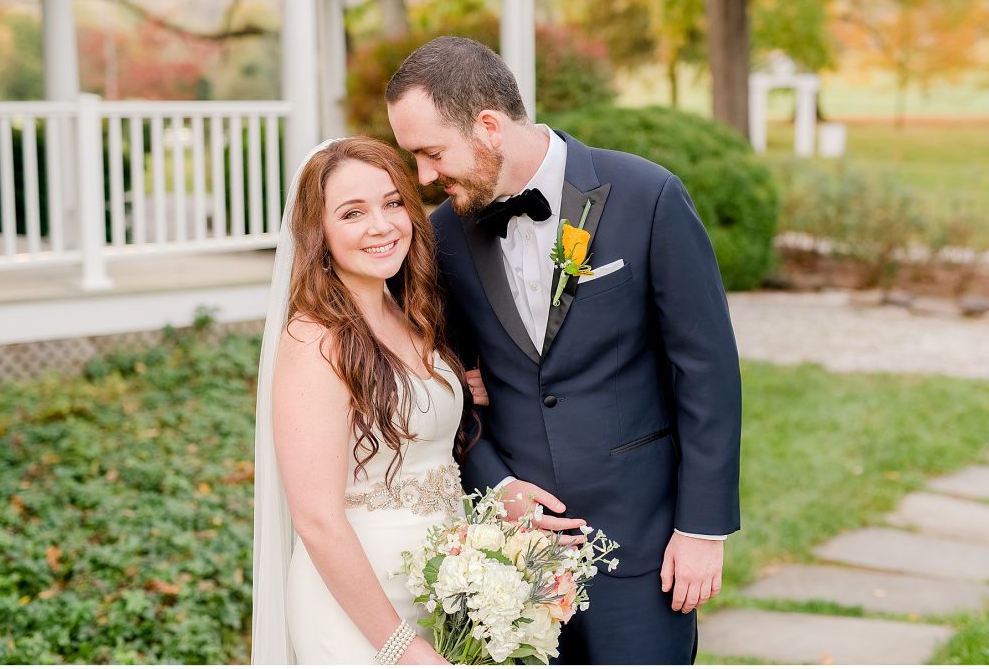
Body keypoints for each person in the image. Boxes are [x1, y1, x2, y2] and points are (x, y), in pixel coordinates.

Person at [386, 36, 742, 664]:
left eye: (431, 153)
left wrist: (701, 528)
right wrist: (496, 484)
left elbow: (706, 370)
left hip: (643, 549)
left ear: (489, 127)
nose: (424, 177)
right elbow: (447, 384)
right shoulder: (441, 237)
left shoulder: (648, 196)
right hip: (509, 562)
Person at [251, 136, 471, 664]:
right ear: (318, 233)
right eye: (353, 213)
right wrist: (401, 647)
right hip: (360, 611)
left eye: (393, 203)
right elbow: (317, 519)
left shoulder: (410, 315)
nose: (382, 225)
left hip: (441, 590)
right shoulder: (315, 340)